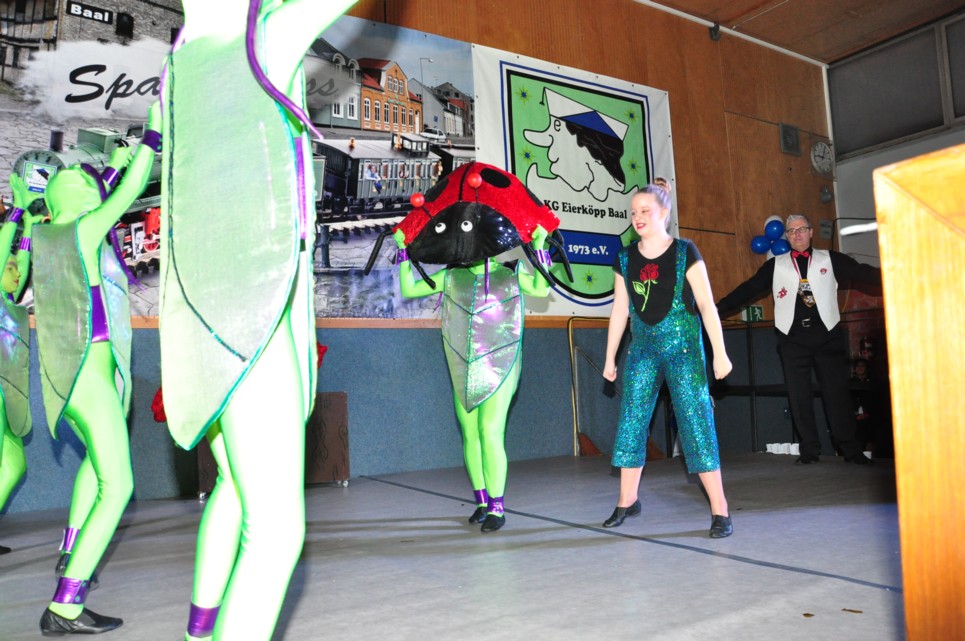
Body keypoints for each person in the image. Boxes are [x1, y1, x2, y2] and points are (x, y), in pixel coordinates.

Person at [157, 2, 355, 639]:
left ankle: (199, 629)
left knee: (234, 493)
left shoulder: (179, 64)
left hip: (199, 324)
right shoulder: (265, 37)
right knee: (274, 533)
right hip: (252, 318)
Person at [31, 103, 160, 635]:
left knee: (99, 470)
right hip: (91, 375)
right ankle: (65, 605)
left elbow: (99, 192)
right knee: (119, 485)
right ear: (82, 200)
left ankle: (71, 557)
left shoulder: (49, 237)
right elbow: (129, 194)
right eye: (88, 183)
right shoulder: (85, 234)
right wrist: (152, 134)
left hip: (71, 382)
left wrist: (109, 168)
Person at [390, 162, 560, 533]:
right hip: (462, 364)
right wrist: (403, 253)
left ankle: (498, 506)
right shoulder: (451, 276)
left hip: (501, 362)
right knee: (470, 433)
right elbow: (409, 288)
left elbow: (540, 287)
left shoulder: (511, 273)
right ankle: (482, 500)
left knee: (489, 430)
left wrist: (540, 247)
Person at [602, 179, 734, 538]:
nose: (638, 217)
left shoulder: (685, 251)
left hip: (683, 347)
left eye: (645, 210)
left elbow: (706, 304)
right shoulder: (625, 258)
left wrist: (720, 353)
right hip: (643, 348)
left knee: (695, 420)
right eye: (633, 212)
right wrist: (610, 357)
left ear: (664, 213)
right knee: (632, 420)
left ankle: (720, 508)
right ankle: (627, 500)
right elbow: (620, 311)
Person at [716, 214, 880, 465]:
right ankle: (809, 451)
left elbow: (862, 272)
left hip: (827, 335)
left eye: (801, 229)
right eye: (792, 231)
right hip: (792, 338)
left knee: (837, 394)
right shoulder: (775, 265)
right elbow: (748, 289)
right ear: (787, 236)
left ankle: (851, 450)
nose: (797, 234)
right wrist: (715, 310)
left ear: (811, 232)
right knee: (799, 395)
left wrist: (896, 274)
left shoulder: (830, 258)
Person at [0, 179, 41, 555]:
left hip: (7, 394)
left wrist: (27, 224)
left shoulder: (10, 303)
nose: (17, 273)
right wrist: (15, 212)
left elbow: (23, 264)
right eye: (9, 267)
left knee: (13, 464)